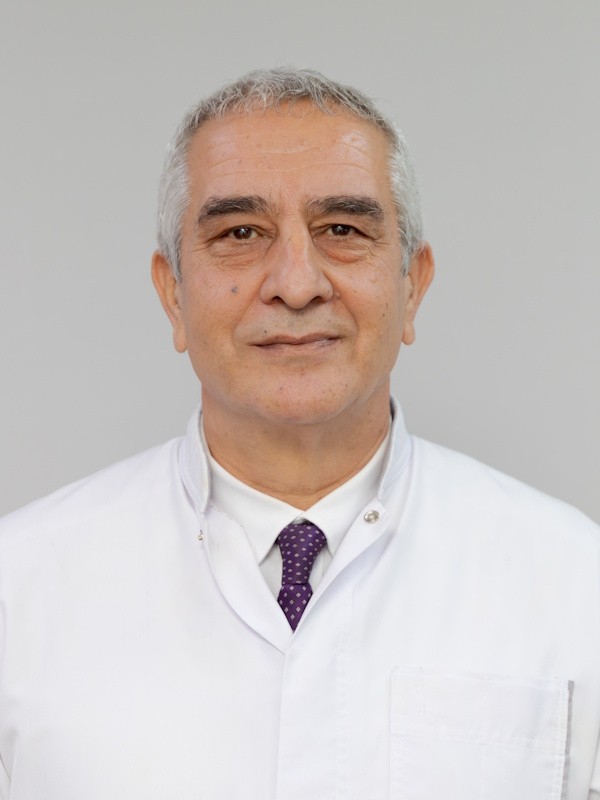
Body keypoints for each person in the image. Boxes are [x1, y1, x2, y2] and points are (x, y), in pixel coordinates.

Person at [0, 67, 598, 800]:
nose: (295, 282)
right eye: (240, 233)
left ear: (413, 285)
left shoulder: (574, 584)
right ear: (173, 295)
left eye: (342, 230)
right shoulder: (19, 591)